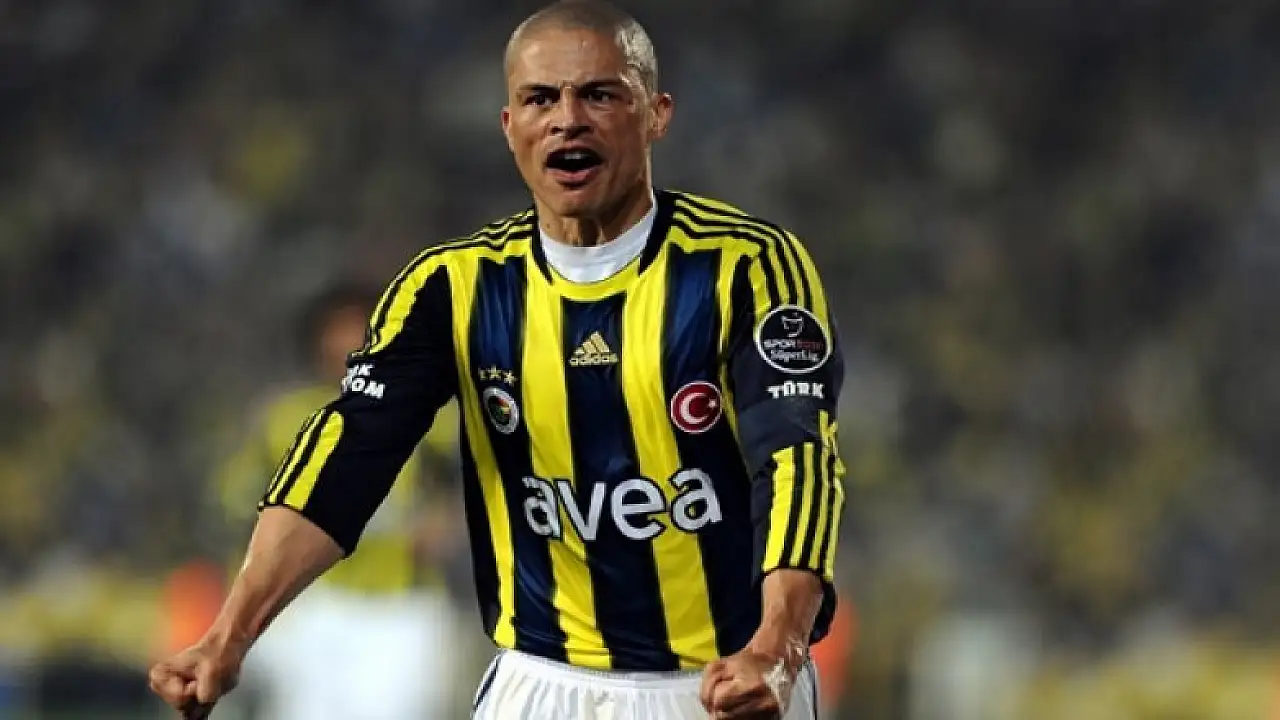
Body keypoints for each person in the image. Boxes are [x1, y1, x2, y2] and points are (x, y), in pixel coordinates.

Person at [148, 1, 847, 718]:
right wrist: (227, 637)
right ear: (509, 126)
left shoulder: (746, 267)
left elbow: (796, 460)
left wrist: (777, 647)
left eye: (599, 94)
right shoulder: (451, 287)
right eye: (540, 98)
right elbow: (346, 460)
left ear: (656, 114)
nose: (567, 119)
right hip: (540, 684)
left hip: (724, 683)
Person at [211, 286, 468, 719]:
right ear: (318, 341)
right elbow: (237, 498)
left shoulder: (432, 415)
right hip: (312, 603)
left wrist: (447, 524)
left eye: (361, 331)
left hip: (401, 607)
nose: (349, 344)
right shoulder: (284, 417)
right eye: (338, 332)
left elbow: (473, 484)